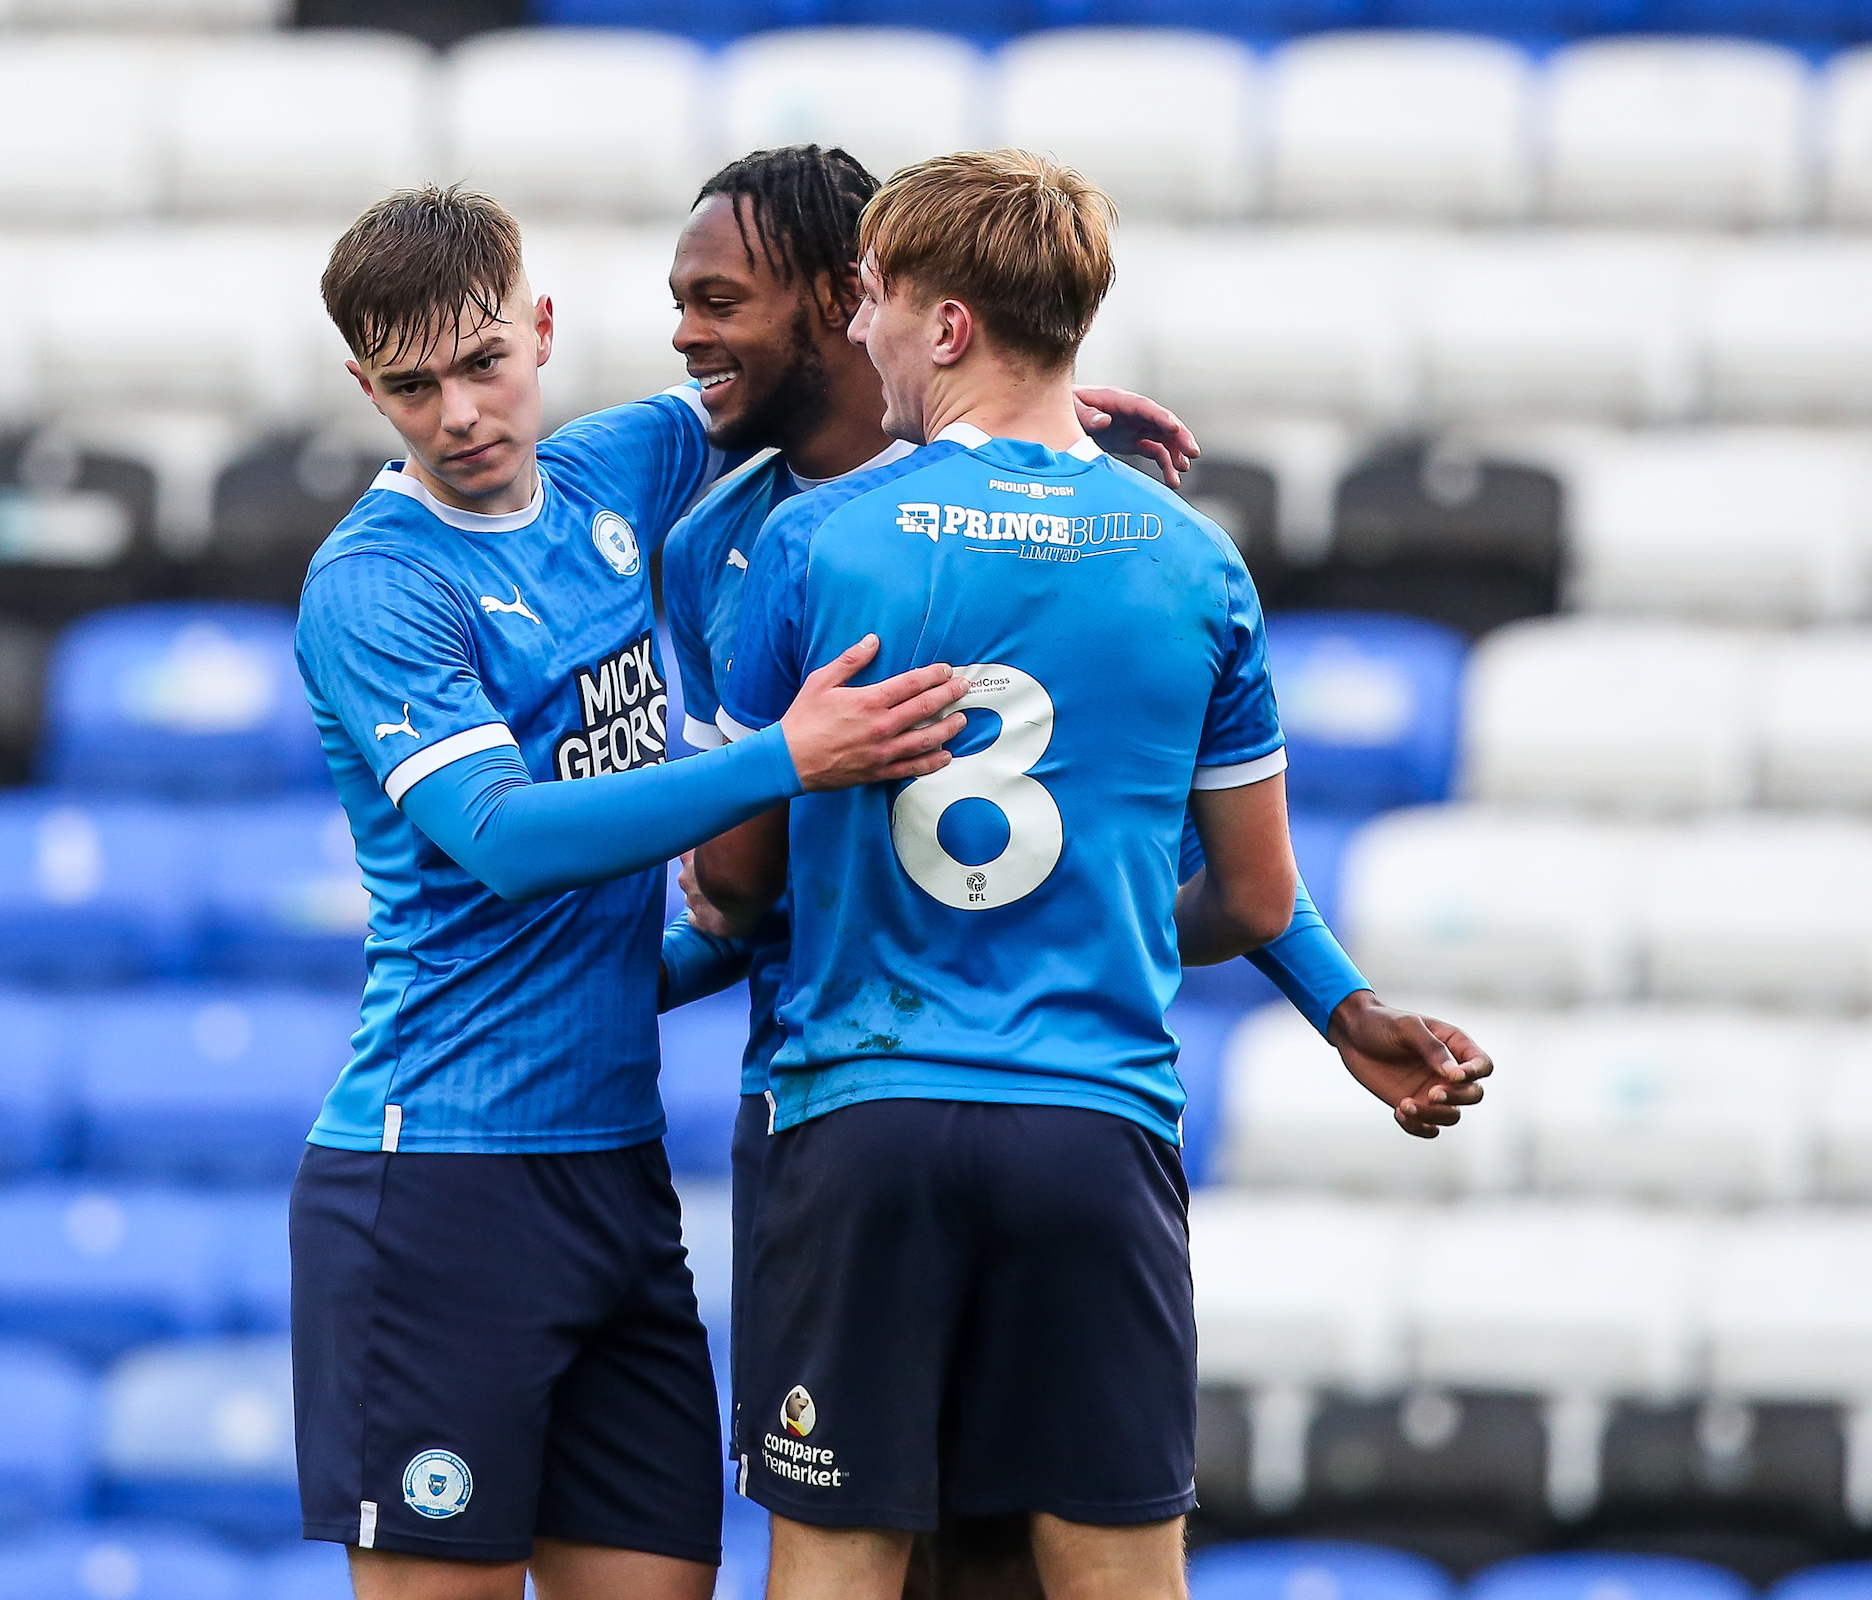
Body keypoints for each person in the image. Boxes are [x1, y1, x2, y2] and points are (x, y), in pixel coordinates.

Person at [657, 145, 1494, 1597]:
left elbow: (731, 876)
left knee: (836, 1571)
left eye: (886, 304)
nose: (865, 332)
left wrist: (733, 899)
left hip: (861, 1113)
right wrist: (1112, 929)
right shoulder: (1192, 562)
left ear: (953, 327)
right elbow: (1251, 897)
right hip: (1092, 1124)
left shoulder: (814, 543)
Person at [286, 183, 982, 1600]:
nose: (462, 415)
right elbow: (504, 839)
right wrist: (785, 760)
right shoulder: (376, 585)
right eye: (412, 389)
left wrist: (1045, 419)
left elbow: (821, 382)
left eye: (485, 364)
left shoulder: (617, 473)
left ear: (539, 330)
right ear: (366, 386)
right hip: (440, 1188)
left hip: (613, 1177)